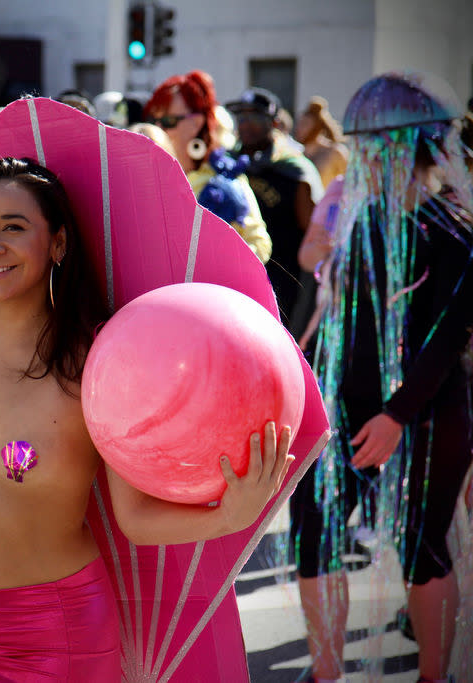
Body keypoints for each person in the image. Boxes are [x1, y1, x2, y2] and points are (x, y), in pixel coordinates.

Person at [0, 157, 295, 680]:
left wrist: (231, 516)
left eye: (13, 227)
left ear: (58, 243)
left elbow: (135, 520)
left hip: (55, 634)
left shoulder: (99, 362)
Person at [289, 72, 473, 683]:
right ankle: (324, 673)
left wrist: (397, 416)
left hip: (429, 410)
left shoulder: (456, 233)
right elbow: (343, 333)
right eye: (365, 145)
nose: (367, 156)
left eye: (380, 144)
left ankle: (433, 675)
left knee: (424, 550)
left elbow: (446, 342)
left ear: (417, 146)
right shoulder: (365, 224)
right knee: (313, 534)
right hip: (349, 408)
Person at [226, 86, 324, 337]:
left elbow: (313, 234)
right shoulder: (227, 166)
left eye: (255, 117)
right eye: (242, 118)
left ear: (275, 123)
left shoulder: (293, 170)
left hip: (282, 286)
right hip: (234, 282)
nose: (246, 124)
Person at [144, 71, 272, 262]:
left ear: (196, 123)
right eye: (155, 121)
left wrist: (215, 262)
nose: (159, 130)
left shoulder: (224, 180)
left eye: (168, 122)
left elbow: (260, 245)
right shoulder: (150, 175)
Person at [295, 96, 349, 189]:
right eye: (299, 123)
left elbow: (350, 183)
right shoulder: (297, 154)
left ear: (316, 127)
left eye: (305, 124)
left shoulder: (335, 152)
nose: (299, 129)